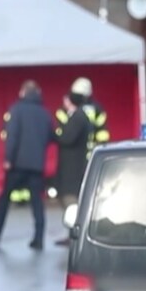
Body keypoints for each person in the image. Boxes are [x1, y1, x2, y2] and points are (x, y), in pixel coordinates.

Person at [0, 80, 53, 250]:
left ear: (23, 92)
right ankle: (38, 238)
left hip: (17, 163)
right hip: (37, 165)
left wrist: (8, 159)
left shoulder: (16, 110)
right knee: (37, 202)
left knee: (5, 198)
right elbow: (50, 136)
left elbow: (12, 136)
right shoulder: (45, 113)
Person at [53, 89, 92, 245]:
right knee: (68, 199)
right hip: (71, 164)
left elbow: (67, 138)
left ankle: (75, 234)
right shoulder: (78, 117)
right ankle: (72, 234)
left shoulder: (77, 118)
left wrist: (56, 135)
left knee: (71, 200)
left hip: (73, 166)